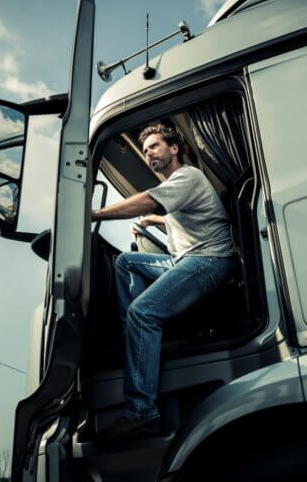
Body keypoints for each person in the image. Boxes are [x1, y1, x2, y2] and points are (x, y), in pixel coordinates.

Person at [91, 124, 237, 441]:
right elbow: (169, 214)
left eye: (154, 146)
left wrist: (95, 214)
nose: (149, 154)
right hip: (183, 259)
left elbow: (150, 201)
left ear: (174, 148)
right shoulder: (177, 186)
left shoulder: (186, 176)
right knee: (126, 262)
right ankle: (135, 336)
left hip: (211, 260)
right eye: (145, 151)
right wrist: (150, 222)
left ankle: (142, 412)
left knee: (142, 312)